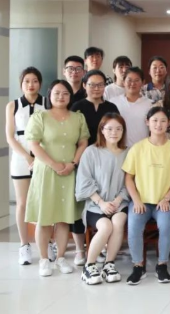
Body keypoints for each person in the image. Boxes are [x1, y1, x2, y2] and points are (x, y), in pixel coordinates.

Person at [25, 80, 89, 277]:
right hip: (46, 172)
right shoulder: (40, 116)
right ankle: (44, 259)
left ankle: (61, 257)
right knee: (44, 218)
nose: (61, 97)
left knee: (64, 218)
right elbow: (34, 144)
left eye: (65, 93)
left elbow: (83, 142)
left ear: (70, 96)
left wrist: (73, 163)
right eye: (57, 93)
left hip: (69, 172)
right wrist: (54, 164)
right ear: (49, 95)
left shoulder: (77, 117)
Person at [123, 107, 170, 285]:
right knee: (134, 226)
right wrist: (136, 200)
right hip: (141, 201)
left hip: (163, 202)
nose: (159, 124)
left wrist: (167, 198)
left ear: (169, 123)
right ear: (147, 122)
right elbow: (128, 178)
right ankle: (138, 266)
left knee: (165, 225)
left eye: (163, 121)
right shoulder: (137, 148)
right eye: (155, 120)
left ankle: (162, 265)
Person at [75, 113, 129, 285]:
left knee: (118, 221)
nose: (114, 132)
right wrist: (101, 202)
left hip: (120, 202)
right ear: (102, 130)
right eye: (110, 129)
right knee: (105, 226)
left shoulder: (128, 152)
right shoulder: (91, 152)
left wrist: (118, 200)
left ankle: (109, 264)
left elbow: (130, 181)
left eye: (119, 129)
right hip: (95, 204)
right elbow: (84, 181)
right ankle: (89, 266)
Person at [5, 67, 46, 265]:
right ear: (21, 84)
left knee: (44, 201)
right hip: (21, 159)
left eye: (35, 81)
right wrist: (27, 157)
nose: (31, 85)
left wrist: (39, 157)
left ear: (40, 83)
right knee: (22, 203)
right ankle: (24, 245)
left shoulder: (47, 103)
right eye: (27, 81)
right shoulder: (12, 105)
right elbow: (10, 137)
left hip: (44, 157)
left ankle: (47, 243)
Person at [71, 70, 119, 146]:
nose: (96, 88)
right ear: (84, 85)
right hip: (82, 150)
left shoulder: (112, 108)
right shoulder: (77, 107)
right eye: (92, 85)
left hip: (107, 149)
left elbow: (117, 130)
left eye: (100, 85)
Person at [109, 67, 153, 146]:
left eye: (137, 80)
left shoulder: (150, 104)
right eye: (129, 80)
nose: (132, 83)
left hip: (142, 148)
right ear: (123, 82)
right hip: (119, 149)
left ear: (143, 83)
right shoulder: (113, 103)